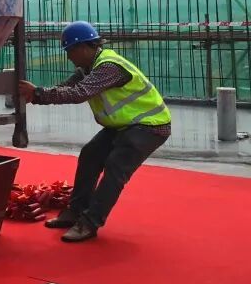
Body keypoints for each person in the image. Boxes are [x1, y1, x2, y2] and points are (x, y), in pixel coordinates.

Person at [18, 21, 171, 243]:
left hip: (149, 126)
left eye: (70, 51)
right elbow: (66, 88)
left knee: (116, 167)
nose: (69, 57)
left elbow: (79, 93)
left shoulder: (109, 67)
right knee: (90, 154)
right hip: (125, 125)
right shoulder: (88, 68)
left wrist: (39, 93)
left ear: (83, 47)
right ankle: (76, 211)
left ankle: (90, 222)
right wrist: (36, 96)